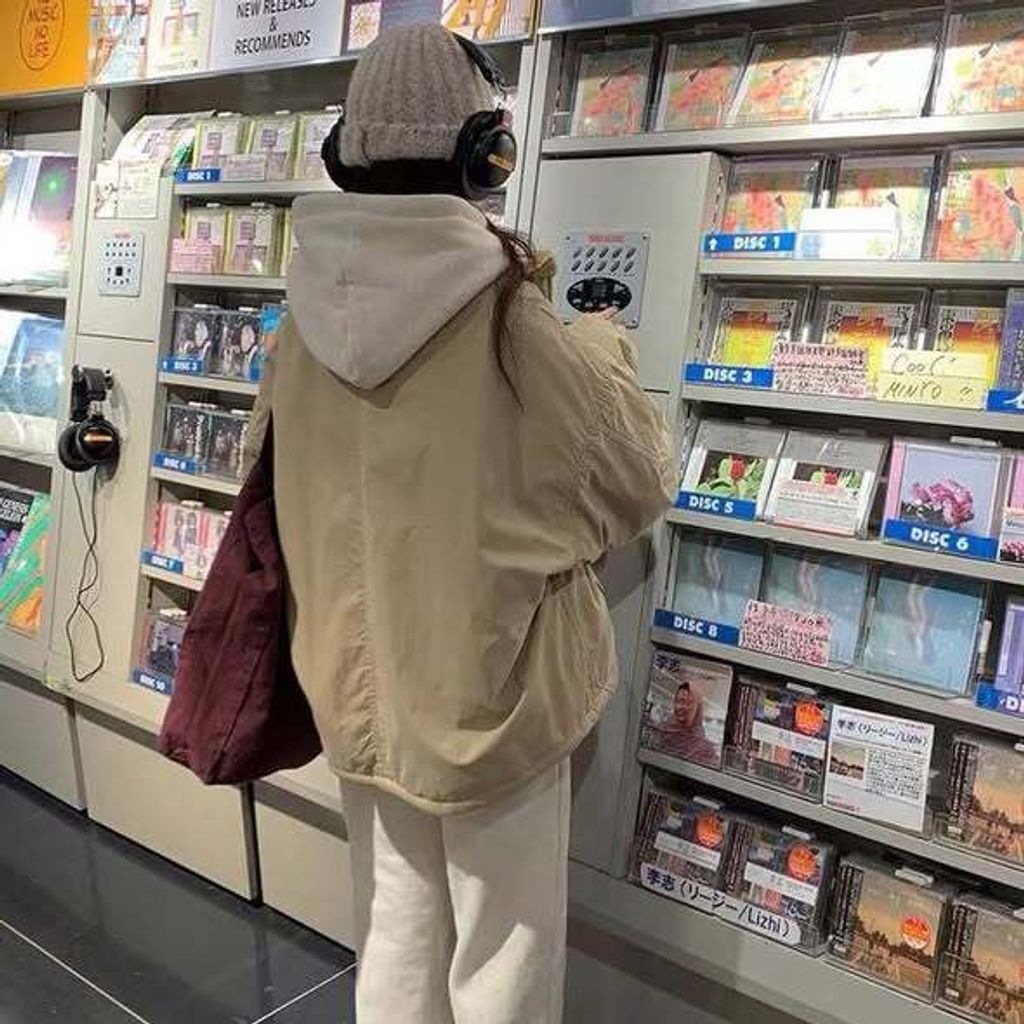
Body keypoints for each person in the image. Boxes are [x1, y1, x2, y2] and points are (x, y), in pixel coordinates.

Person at [247, 23, 673, 1024]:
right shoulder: (514, 320)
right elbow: (636, 476)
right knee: (501, 955)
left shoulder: (299, 319)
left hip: (353, 683)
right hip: (493, 692)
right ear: (486, 152)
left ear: (345, 152)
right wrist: (605, 344)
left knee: (393, 927)